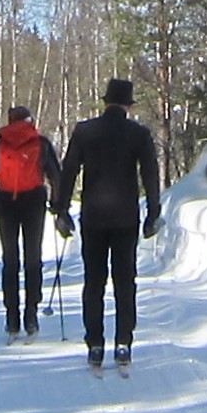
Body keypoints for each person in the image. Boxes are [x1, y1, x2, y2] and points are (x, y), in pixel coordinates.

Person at [53, 78, 161, 369]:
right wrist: (153, 212)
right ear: (128, 105)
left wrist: (61, 209)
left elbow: (69, 171)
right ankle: (124, 342)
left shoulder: (85, 132)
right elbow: (150, 174)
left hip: (94, 217)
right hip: (126, 218)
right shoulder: (138, 134)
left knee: (94, 282)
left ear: (105, 102)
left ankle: (96, 345)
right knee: (125, 281)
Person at [0, 105, 63, 341]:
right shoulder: (41, 143)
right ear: (29, 120)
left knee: (10, 259)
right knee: (33, 258)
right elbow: (56, 176)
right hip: (34, 201)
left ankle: (11, 319)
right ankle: (31, 316)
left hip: (6, 203)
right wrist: (56, 204)